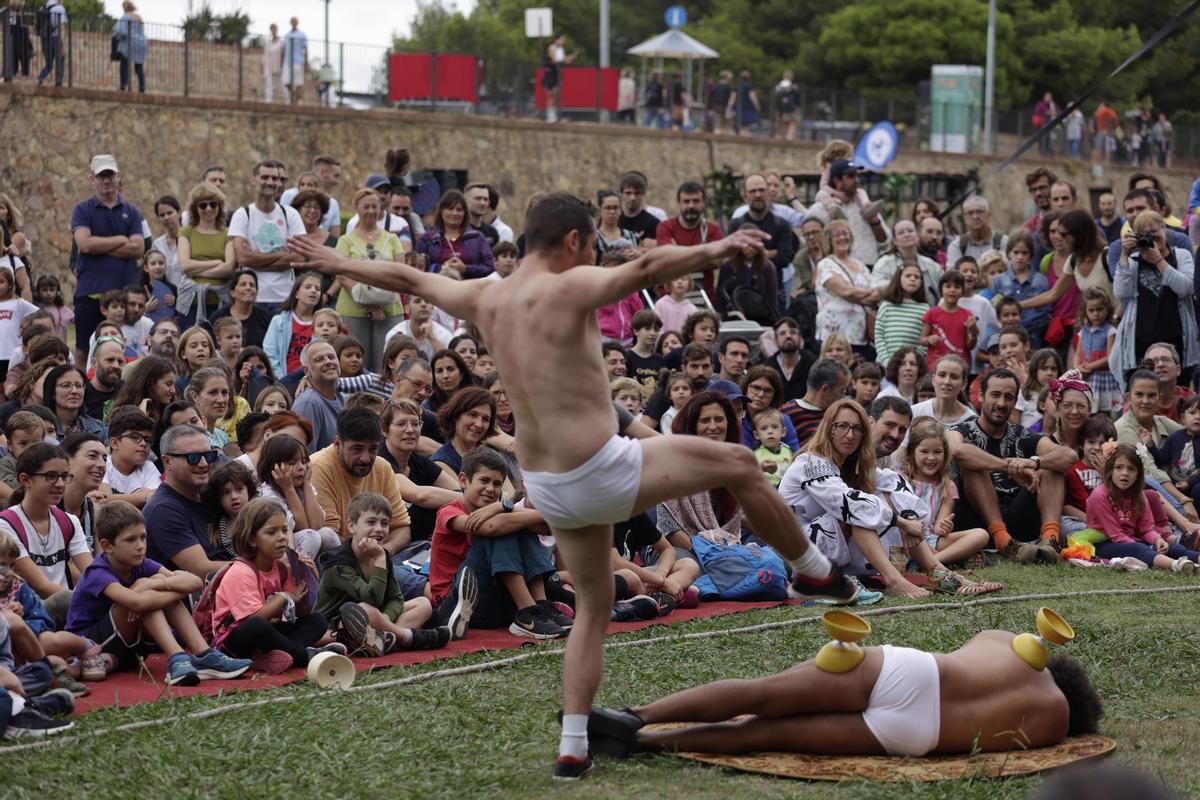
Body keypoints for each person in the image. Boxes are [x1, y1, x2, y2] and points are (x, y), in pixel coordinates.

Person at [289, 193, 858, 779]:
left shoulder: (485, 295)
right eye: (591, 244)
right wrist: (720, 246)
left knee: (593, 607)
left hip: (547, 485)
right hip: (600, 468)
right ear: (572, 242)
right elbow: (644, 270)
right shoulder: (570, 285)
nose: (593, 254)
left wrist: (336, 261)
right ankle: (814, 569)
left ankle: (573, 743)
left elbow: (405, 273)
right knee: (740, 463)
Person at [586, 624, 1100, 758]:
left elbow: (973, 650)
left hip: (910, 672)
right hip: (916, 735)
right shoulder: (1053, 724)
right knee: (760, 736)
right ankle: (639, 744)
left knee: (761, 693)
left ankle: (636, 714)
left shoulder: (1006, 643)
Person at [65, 502, 251, 686]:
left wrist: (152, 583)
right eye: (131, 540)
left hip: (128, 646)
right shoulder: (97, 571)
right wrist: (160, 590)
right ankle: (177, 657)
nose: (140, 546)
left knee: (152, 588)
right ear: (107, 546)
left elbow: (195, 582)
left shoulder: (140, 562)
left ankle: (204, 654)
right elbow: (138, 603)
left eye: (143, 537)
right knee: (150, 599)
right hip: (90, 646)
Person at [947, 369, 1076, 563]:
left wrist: (1034, 462)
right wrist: (1008, 467)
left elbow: (1069, 455)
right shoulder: (960, 430)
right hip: (975, 523)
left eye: (1008, 397)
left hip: (1017, 517)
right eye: (995, 395)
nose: (1001, 403)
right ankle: (1002, 541)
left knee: (1052, 467)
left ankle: (1050, 541)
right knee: (973, 463)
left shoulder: (1021, 434)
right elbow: (958, 451)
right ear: (981, 395)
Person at [210, 498, 343, 674]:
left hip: (268, 633)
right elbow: (251, 620)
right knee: (258, 626)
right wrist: (284, 598)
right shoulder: (241, 572)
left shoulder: (281, 568)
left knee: (317, 620)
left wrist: (309, 578)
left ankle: (270, 657)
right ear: (252, 540)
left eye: (284, 530)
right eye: (272, 532)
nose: (281, 537)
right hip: (235, 641)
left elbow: (302, 613)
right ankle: (304, 655)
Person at [315, 492, 455, 656]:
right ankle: (406, 637)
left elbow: (396, 598)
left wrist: (385, 619)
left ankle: (385, 640)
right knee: (364, 609)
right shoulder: (339, 563)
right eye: (371, 522)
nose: (379, 529)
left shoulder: (381, 556)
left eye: (385, 523)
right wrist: (380, 559)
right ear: (352, 526)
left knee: (423, 604)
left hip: (375, 621)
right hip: (336, 625)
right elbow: (370, 598)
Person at [0, 444, 91, 621]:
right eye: (51, 476)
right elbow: (41, 586)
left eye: (64, 476)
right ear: (25, 480)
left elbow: (92, 572)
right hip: (31, 613)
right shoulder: (6, 524)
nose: (60, 484)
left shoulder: (68, 521)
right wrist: (91, 600)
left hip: (70, 607)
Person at [71, 155, 145, 368]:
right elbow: (84, 244)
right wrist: (121, 240)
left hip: (124, 297)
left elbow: (138, 248)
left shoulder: (131, 211)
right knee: (84, 351)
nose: (106, 180)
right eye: (101, 176)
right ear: (92, 179)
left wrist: (99, 247)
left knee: (126, 350)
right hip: (90, 294)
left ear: (118, 177)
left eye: (110, 175)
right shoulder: (83, 210)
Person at [1110, 212, 1197, 391]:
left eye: (1155, 231)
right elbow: (1121, 292)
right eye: (1145, 234)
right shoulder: (1134, 261)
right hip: (1141, 339)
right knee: (1143, 391)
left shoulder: (1181, 256)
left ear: (1164, 228)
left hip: (1177, 338)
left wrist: (1158, 260)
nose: (1152, 238)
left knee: (1177, 392)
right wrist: (1124, 257)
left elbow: (1186, 288)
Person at [1087, 443, 1200, 573]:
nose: (1125, 473)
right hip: (1104, 543)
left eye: (1131, 469)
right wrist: (1148, 546)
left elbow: (1146, 528)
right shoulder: (1100, 495)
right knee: (1139, 549)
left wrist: (1157, 539)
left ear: (1138, 475)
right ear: (1110, 470)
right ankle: (1176, 565)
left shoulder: (1139, 495)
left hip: (1133, 539)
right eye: (1118, 467)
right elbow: (1115, 535)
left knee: (1171, 547)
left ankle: (1196, 558)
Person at [333, 189, 406, 368]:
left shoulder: (392, 239)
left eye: (375, 206)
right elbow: (342, 276)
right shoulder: (345, 241)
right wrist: (369, 305)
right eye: (366, 206)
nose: (371, 211)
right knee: (354, 363)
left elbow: (402, 272)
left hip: (389, 309)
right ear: (356, 208)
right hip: (353, 310)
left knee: (387, 362)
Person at [902, 419, 990, 564]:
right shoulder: (901, 479)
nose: (931, 458)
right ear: (912, 452)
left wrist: (943, 527)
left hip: (932, 539)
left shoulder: (947, 486)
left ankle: (932, 561)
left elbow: (938, 528)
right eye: (924, 451)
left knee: (981, 535)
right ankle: (948, 559)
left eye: (937, 452)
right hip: (907, 538)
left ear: (944, 454)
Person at [143, 424, 225, 577]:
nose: (204, 464)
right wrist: (258, 567)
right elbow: (203, 571)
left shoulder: (216, 495)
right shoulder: (162, 510)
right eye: (193, 458)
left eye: (209, 456)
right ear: (167, 462)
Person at [229, 161, 306, 314]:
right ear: (254, 180)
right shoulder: (243, 214)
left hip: (284, 297)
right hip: (252, 299)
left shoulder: (290, 214)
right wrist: (283, 255)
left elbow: (299, 257)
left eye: (274, 178)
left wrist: (256, 259)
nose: (270, 182)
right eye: (264, 177)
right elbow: (243, 258)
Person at [417, 191, 494, 278]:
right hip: (436, 288)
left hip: (470, 288)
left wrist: (466, 268)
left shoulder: (477, 237)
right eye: (450, 208)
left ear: (465, 213)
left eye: (459, 209)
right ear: (441, 211)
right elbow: (418, 268)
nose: (455, 213)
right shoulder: (427, 239)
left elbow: (490, 267)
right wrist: (442, 268)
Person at [781, 358, 851, 449]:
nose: (843, 397)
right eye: (842, 391)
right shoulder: (786, 414)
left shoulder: (839, 415)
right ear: (825, 389)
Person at [102, 409, 159, 508]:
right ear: (114, 443)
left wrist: (117, 498)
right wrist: (144, 496)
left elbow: (158, 499)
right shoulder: (102, 464)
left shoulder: (148, 467)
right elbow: (104, 501)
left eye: (147, 440)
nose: (143, 443)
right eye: (135, 437)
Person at [874, 264, 929, 367]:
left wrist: (916, 359)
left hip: (912, 365)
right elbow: (879, 335)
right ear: (898, 279)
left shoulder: (925, 308)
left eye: (917, 277)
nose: (913, 279)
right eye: (908, 276)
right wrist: (886, 360)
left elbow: (925, 338)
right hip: (886, 364)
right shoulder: (886, 306)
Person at [910, 355, 976, 429]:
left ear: (964, 384)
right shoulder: (914, 412)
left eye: (954, 377)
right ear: (933, 379)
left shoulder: (972, 422)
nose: (947, 382)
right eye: (942, 375)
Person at [945, 197, 1007, 266]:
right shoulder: (957, 245)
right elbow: (952, 274)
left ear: (989, 215)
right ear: (964, 218)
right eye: (970, 213)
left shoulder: (1003, 242)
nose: (975, 217)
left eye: (979, 212)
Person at [542, 34, 575, 124]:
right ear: (556, 40)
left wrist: (570, 59)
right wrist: (566, 58)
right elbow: (555, 60)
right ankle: (550, 115)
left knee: (555, 94)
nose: (563, 42)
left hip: (557, 72)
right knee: (551, 94)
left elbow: (564, 61)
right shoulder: (551, 48)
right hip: (550, 72)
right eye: (562, 40)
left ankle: (553, 114)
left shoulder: (561, 49)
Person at [113, 2, 146, 93]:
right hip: (141, 43)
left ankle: (123, 86)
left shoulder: (125, 17)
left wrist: (118, 38)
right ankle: (142, 87)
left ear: (124, 8)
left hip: (129, 43)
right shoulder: (138, 17)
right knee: (139, 66)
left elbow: (120, 32)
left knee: (124, 65)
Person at [35, 0, 67, 88]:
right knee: (60, 59)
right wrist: (63, 44)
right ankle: (58, 82)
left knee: (49, 64)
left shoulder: (42, 7)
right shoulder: (60, 8)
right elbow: (62, 28)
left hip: (45, 39)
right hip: (56, 38)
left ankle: (40, 78)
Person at [282, 17, 307, 104]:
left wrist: (306, 63)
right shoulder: (287, 35)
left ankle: (297, 100)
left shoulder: (302, 35)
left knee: (298, 82)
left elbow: (305, 49)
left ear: (297, 23)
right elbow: (284, 49)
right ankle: (294, 96)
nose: (293, 23)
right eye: (292, 21)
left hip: (298, 61)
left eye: (295, 21)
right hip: (287, 61)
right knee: (286, 81)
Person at [261, 23, 285, 102]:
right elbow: (265, 55)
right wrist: (263, 66)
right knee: (269, 84)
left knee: (282, 85)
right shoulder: (268, 42)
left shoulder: (281, 42)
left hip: (279, 66)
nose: (273, 30)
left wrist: (282, 66)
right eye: (272, 29)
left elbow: (283, 54)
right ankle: (268, 101)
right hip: (269, 66)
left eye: (274, 28)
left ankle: (287, 101)